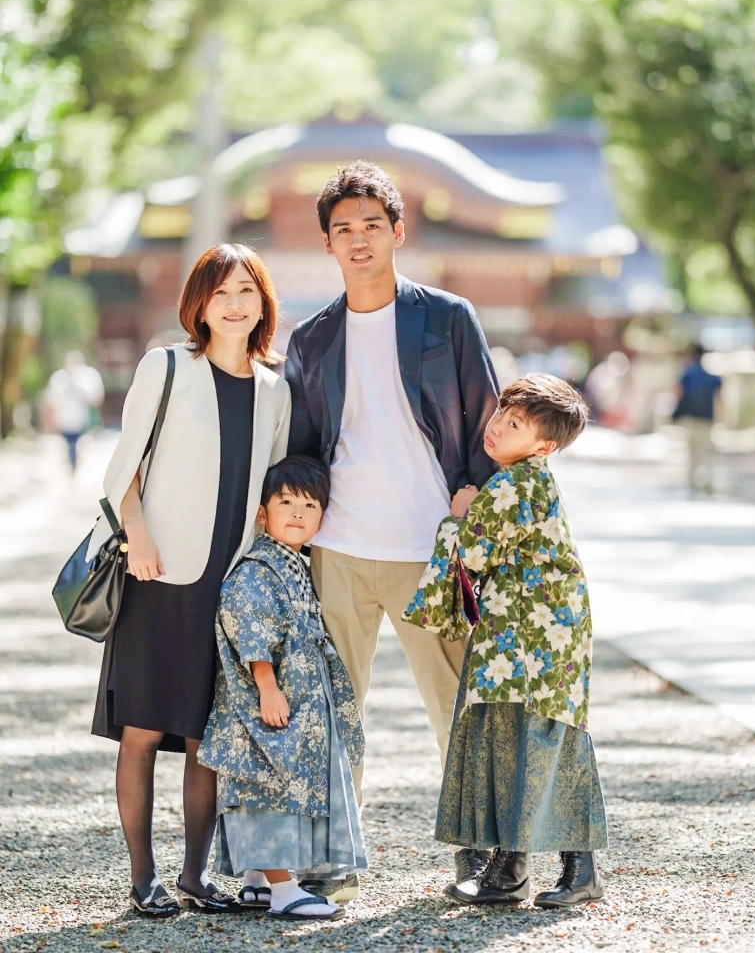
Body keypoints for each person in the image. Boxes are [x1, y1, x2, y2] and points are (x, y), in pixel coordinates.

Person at [284, 160, 499, 894]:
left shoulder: (447, 318)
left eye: (372, 225)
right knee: (334, 709)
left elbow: (487, 425)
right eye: (343, 229)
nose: (358, 239)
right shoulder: (311, 340)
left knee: (457, 709)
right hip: (340, 549)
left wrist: (474, 498)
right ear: (328, 245)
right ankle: (335, 855)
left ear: (397, 232)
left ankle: (479, 854)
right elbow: (304, 451)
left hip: (429, 548)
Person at [88, 244, 291, 918]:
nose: (235, 304)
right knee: (144, 729)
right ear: (199, 303)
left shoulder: (274, 389)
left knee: (209, 738)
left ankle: (195, 879)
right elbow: (126, 465)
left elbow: (271, 492)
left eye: (247, 292)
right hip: (158, 572)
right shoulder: (166, 366)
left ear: (263, 304)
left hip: (229, 586)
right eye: (221, 292)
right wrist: (136, 532)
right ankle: (142, 878)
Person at [403, 373, 608, 908]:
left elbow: (469, 555)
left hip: (528, 634)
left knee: (523, 740)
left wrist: (457, 514)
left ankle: (516, 870)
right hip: (544, 630)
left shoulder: (514, 485)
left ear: (544, 445)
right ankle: (545, 870)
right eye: (500, 414)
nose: (495, 426)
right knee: (546, 741)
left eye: (513, 424)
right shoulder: (530, 479)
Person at [198, 456, 366, 921]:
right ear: (262, 513)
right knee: (265, 784)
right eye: (285, 501)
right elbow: (251, 626)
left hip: (293, 698)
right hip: (264, 699)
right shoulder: (258, 567)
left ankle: (259, 880)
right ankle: (284, 889)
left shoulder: (294, 562)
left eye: (309, 504)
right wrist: (267, 685)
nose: (297, 512)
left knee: (282, 783)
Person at [671, 343, 722, 495]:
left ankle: (692, 484)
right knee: (706, 453)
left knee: (691, 454)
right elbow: (719, 399)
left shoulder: (687, 375)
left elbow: (678, 395)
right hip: (706, 420)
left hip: (690, 420)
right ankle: (707, 481)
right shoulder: (712, 377)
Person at [43, 351, 105, 472]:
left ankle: (75, 468)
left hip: (82, 422)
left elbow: (96, 399)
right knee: (67, 450)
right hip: (64, 423)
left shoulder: (88, 377)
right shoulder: (58, 379)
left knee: (80, 449)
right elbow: (51, 403)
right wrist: (49, 423)